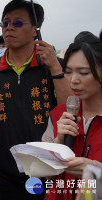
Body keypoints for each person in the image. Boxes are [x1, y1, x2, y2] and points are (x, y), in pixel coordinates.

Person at [0, 1, 72, 200]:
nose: (9, 27)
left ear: (35, 30)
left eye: (18, 23)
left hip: (49, 175)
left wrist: (55, 69)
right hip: (3, 176)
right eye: (5, 23)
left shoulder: (55, 67)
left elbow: (69, 111)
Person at [42, 32, 102, 200]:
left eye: (83, 73)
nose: (73, 80)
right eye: (68, 71)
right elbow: (46, 175)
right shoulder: (59, 114)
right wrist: (58, 143)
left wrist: (96, 171)